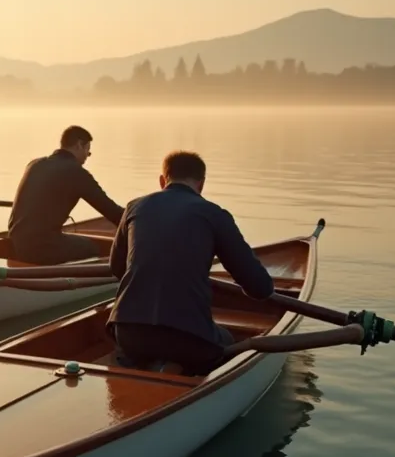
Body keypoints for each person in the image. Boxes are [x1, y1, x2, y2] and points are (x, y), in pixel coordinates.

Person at [107, 151, 275, 375]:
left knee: (153, 344)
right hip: (187, 338)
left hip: (127, 333)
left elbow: (117, 268)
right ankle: (171, 367)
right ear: (201, 184)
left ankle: (156, 365)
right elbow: (260, 288)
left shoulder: (134, 207)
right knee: (227, 340)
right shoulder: (214, 214)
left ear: (162, 180)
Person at [8, 125, 125, 265]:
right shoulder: (76, 173)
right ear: (79, 145)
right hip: (41, 247)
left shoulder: (35, 164)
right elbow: (110, 210)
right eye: (88, 151)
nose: (86, 157)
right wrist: (139, 223)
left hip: (16, 242)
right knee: (93, 247)